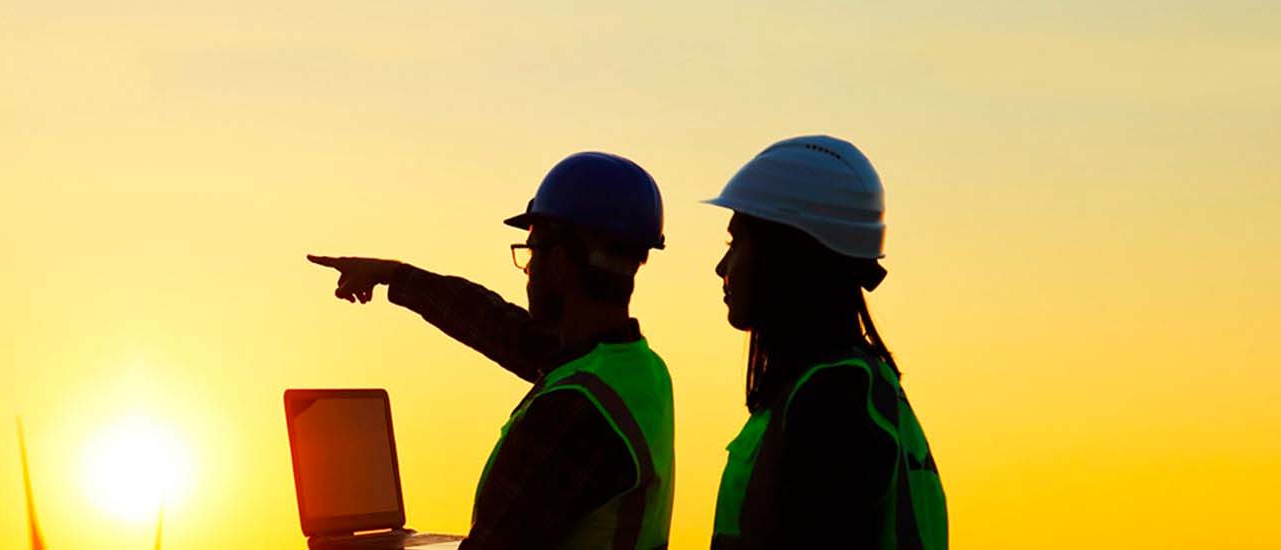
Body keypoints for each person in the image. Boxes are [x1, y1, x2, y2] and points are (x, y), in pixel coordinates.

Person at [306, 152, 675, 549]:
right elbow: (502, 327)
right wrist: (395, 276)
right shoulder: (638, 371)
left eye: (531, 251)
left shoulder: (570, 412)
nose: (528, 268)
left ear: (561, 261)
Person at [702, 135, 948, 549]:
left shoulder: (830, 403)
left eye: (735, 241)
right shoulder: (862, 392)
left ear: (786, 254)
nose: (722, 266)